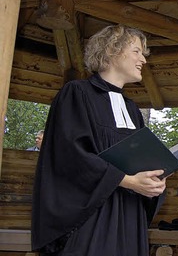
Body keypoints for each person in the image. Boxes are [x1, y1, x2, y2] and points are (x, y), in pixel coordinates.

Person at [31, 25, 167, 255]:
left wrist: (155, 179)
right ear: (112, 51)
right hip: (92, 216)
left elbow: (138, 158)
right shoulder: (77, 93)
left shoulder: (132, 109)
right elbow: (68, 153)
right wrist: (125, 180)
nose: (143, 60)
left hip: (129, 214)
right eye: (136, 51)